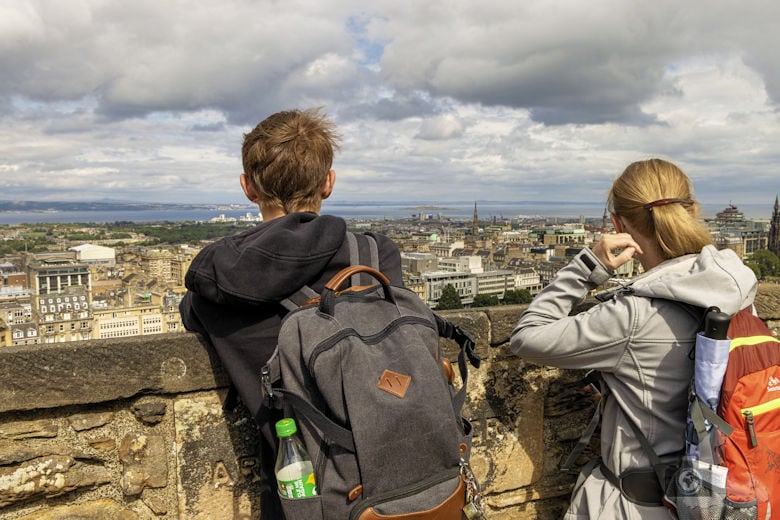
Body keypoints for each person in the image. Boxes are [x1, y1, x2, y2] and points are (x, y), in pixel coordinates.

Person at [179, 108, 403, 519]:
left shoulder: (218, 282)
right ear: (328, 182)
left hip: (305, 498)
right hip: (403, 481)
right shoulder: (375, 256)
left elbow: (190, 316)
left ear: (248, 187)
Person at [509, 158, 757, 519]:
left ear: (619, 225)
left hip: (638, 505)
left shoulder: (632, 314)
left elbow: (526, 336)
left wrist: (587, 267)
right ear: (692, 211)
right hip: (726, 494)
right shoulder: (741, 290)